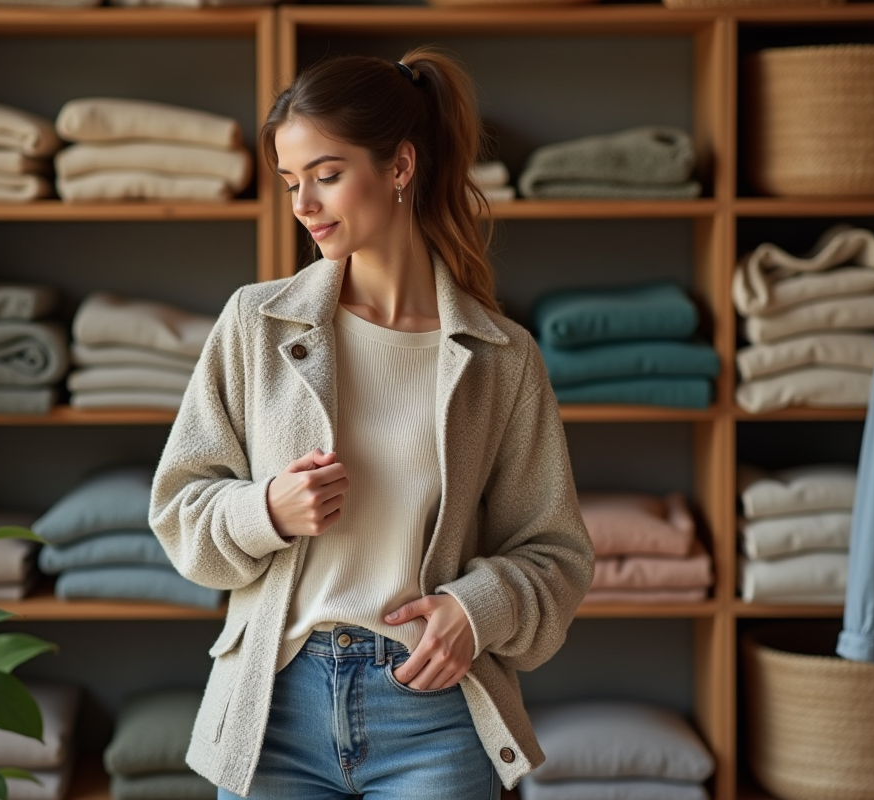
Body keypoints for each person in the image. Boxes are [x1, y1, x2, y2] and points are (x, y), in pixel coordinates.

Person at [149, 47, 595, 800]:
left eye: (326, 175)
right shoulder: (255, 324)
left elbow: (556, 551)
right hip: (274, 711)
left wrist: (474, 609)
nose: (303, 204)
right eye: (291, 182)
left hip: (432, 712)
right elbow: (177, 509)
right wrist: (265, 511)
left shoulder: (501, 357)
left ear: (399, 166)